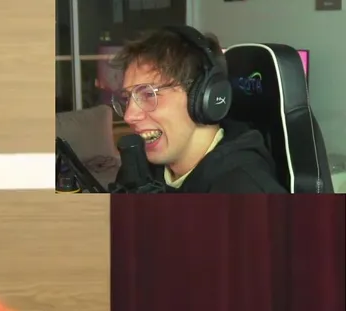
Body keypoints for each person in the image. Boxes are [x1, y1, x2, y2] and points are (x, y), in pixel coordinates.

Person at [113, 26, 286, 193]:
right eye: (127, 98)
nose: (129, 116)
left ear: (202, 98)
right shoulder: (142, 169)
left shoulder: (246, 191)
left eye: (148, 94)